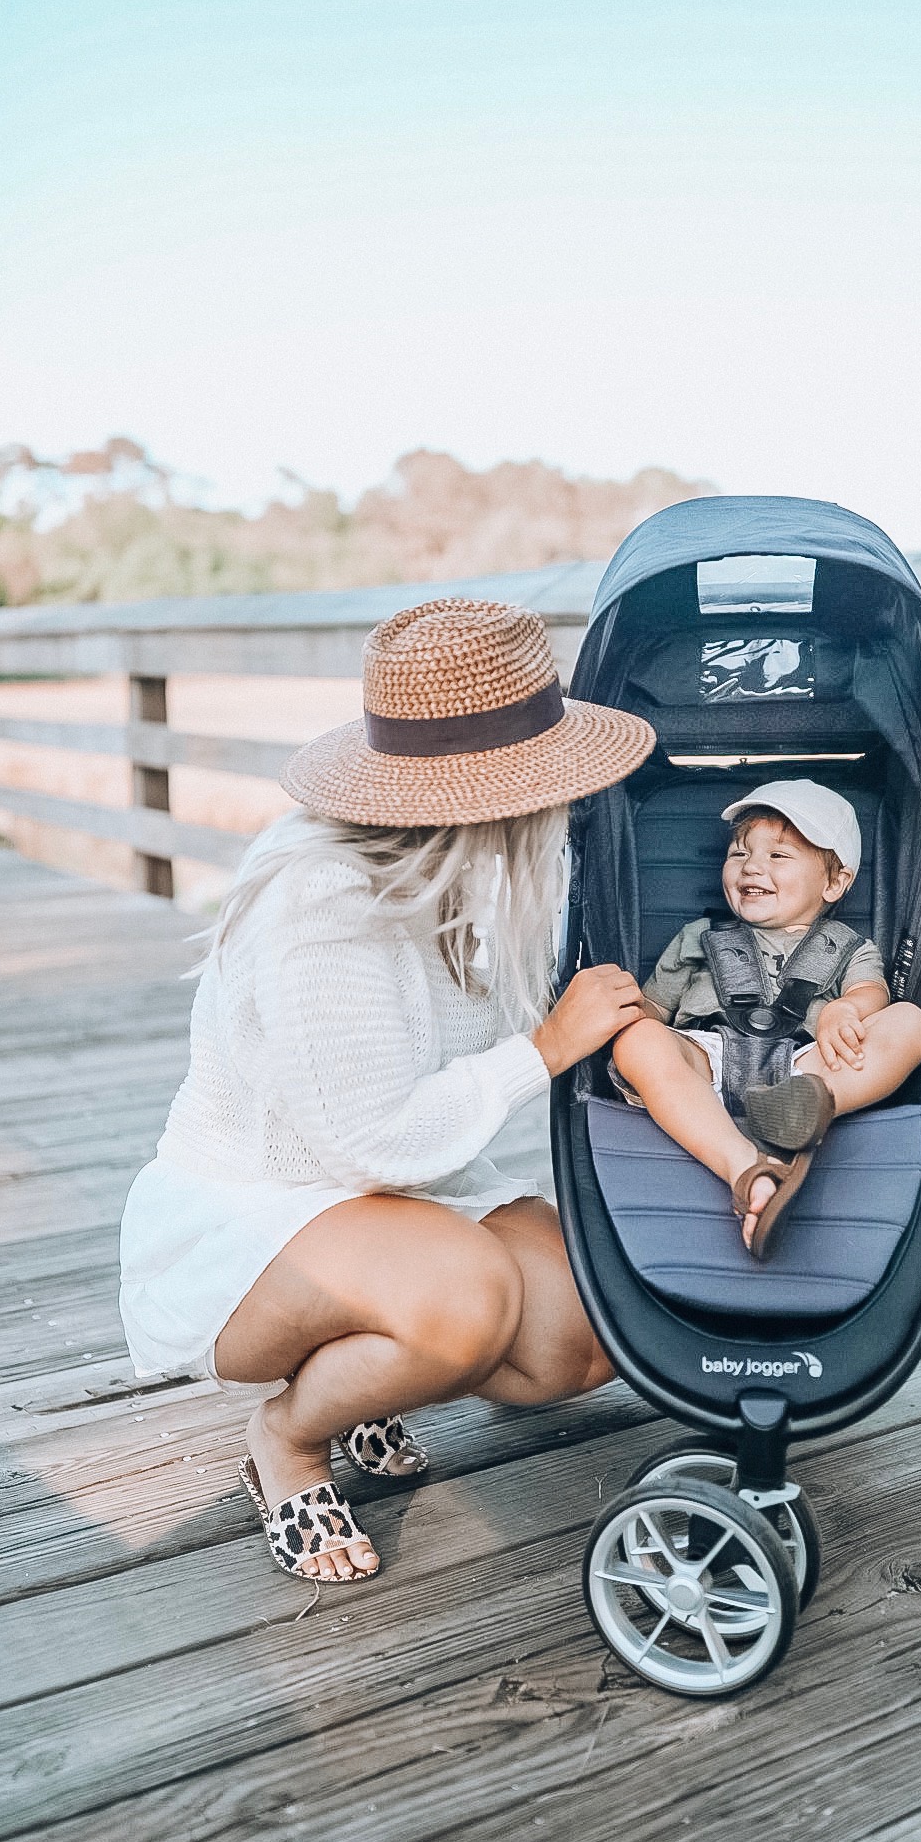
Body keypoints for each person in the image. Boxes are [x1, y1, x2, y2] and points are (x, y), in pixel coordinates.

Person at [119, 598, 655, 1585]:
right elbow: (368, 1138)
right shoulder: (318, 897)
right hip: (261, 1212)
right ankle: (286, 1435)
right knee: (466, 1297)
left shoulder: (455, 865)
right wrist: (542, 1049)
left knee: (582, 1338)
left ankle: (368, 1372)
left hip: (388, 1198)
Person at [610, 780, 921, 1260]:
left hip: (809, 1065)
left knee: (912, 1022)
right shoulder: (698, 938)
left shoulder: (848, 948)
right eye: (739, 853)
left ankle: (802, 1110)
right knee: (638, 1039)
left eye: (779, 857)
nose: (752, 866)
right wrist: (624, 1018)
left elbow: (872, 993)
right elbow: (655, 1010)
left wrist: (846, 1008)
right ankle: (745, 1164)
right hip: (707, 1058)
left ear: (834, 882)